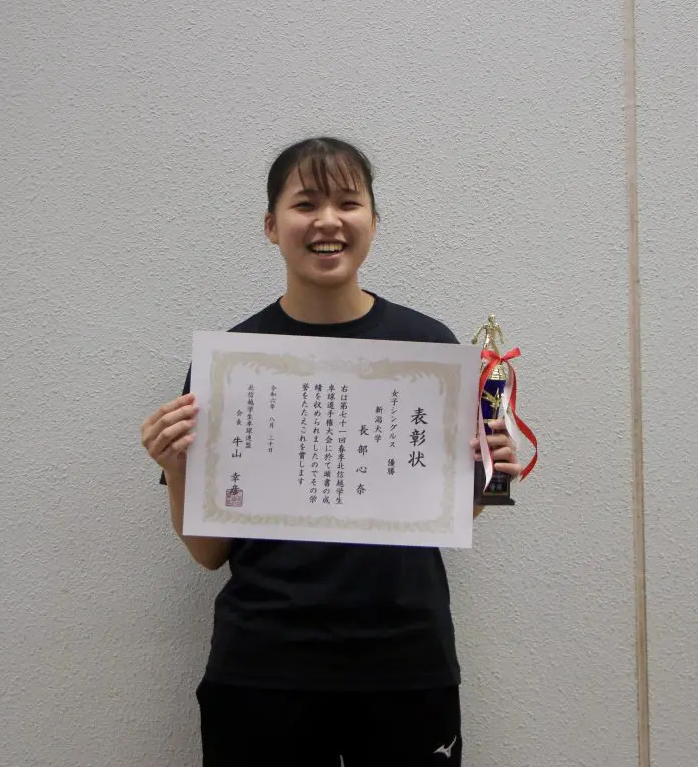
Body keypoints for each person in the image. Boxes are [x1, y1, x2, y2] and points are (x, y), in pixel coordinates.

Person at [141, 137, 522, 766]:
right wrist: (175, 466)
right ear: (271, 226)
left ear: (374, 220)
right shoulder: (233, 360)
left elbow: (444, 515)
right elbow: (208, 554)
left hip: (404, 658)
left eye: (348, 202)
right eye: (305, 204)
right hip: (265, 662)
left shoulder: (428, 347)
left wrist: (486, 473)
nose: (328, 221)